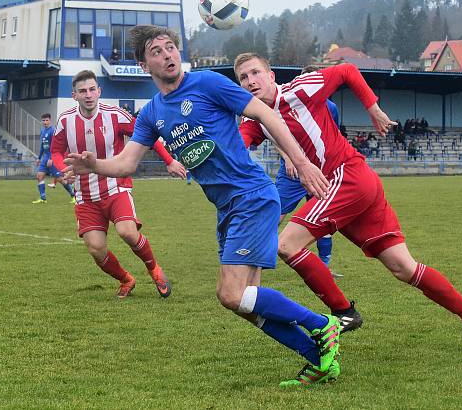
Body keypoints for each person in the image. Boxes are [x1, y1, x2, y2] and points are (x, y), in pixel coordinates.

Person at [63, 26, 343, 387]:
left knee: (231, 293)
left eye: (170, 47)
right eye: (156, 51)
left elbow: (267, 115)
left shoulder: (208, 83)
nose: (167, 55)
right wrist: (95, 165)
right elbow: (127, 163)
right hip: (227, 208)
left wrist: (302, 163)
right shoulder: (151, 113)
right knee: (242, 302)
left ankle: (323, 325)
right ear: (143, 63)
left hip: (252, 197)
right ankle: (320, 358)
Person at [234, 52, 462, 356]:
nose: (251, 81)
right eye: (243, 77)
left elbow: (346, 70)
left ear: (271, 76)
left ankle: (343, 311)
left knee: (287, 244)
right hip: (354, 185)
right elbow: (239, 146)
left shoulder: (300, 88)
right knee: (403, 267)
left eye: (255, 73)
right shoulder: (253, 118)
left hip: (347, 177)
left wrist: (373, 108)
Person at [52, 69, 185, 299]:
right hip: (85, 194)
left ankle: (154, 269)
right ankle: (126, 279)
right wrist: (62, 169)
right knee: (95, 248)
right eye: (82, 91)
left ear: (99, 91)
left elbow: (148, 135)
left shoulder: (116, 115)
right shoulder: (65, 121)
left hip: (116, 186)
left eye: (92, 89)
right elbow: (56, 151)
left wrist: (169, 160)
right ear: (74, 95)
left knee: (127, 233)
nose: (88, 95)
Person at [251, 64, 347, 283]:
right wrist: (287, 157)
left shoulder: (330, 107)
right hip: (292, 172)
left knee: (324, 218)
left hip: (320, 172)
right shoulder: (284, 103)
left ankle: (324, 265)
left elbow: (332, 137)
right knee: (274, 214)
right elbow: (275, 135)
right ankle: (256, 259)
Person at [33, 113, 75, 204]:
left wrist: (52, 158)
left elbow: (55, 146)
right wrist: (39, 158)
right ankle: (43, 198)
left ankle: (73, 195)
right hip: (45, 158)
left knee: (60, 179)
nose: (45, 122)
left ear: (50, 120)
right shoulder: (42, 131)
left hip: (53, 157)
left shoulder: (53, 131)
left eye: (47, 120)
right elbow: (42, 146)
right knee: (39, 176)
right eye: (43, 120)